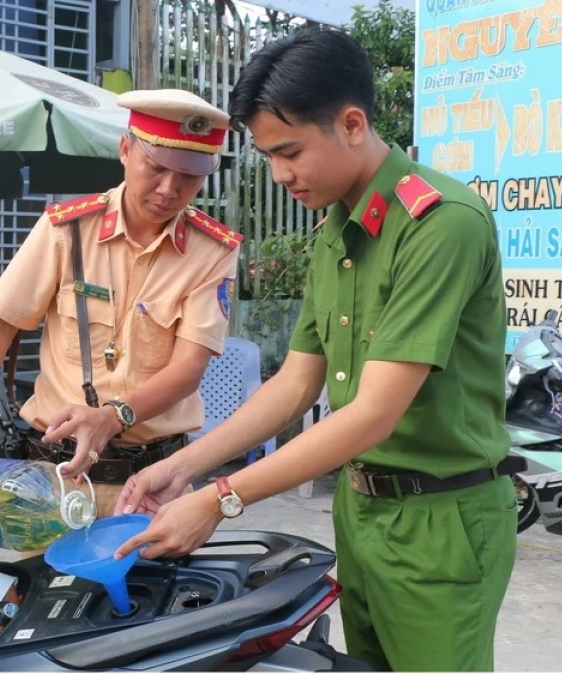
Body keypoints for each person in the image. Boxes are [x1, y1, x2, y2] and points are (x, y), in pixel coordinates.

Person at [114, 26, 515, 671]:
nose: (280, 175)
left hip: (441, 521)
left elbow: (372, 413)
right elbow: (295, 383)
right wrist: (188, 466)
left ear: (352, 123)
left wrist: (221, 500)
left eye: (290, 151)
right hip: (362, 513)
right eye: (268, 156)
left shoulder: (441, 225)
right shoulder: (336, 228)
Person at [0, 89, 242, 518]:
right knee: (44, 585)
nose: (169, 189)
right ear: (126, 150)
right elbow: (0, 325)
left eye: (188, 176)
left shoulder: (213, 250)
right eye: (156, 167)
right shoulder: (65, 230)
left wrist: (114, 416)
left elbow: (189, 369)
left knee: (150, 586)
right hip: (53, 481)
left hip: (152, 486)